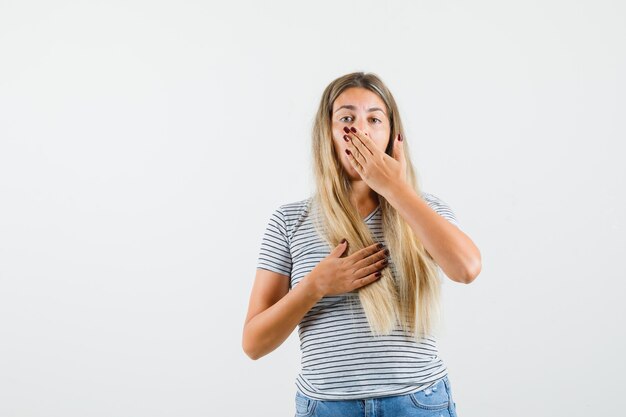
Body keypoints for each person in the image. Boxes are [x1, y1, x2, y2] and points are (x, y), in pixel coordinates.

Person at [242, 72, 481, 417]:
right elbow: (253, 344)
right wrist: (315, 286)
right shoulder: (289, 221)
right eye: (347, 118)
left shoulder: (424, 210)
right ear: (328, 133)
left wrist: (396, 189)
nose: (361, 131)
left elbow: (467, 269)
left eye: (374, 119)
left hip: (417, 404)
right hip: (326, 408)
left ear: (391, 135)